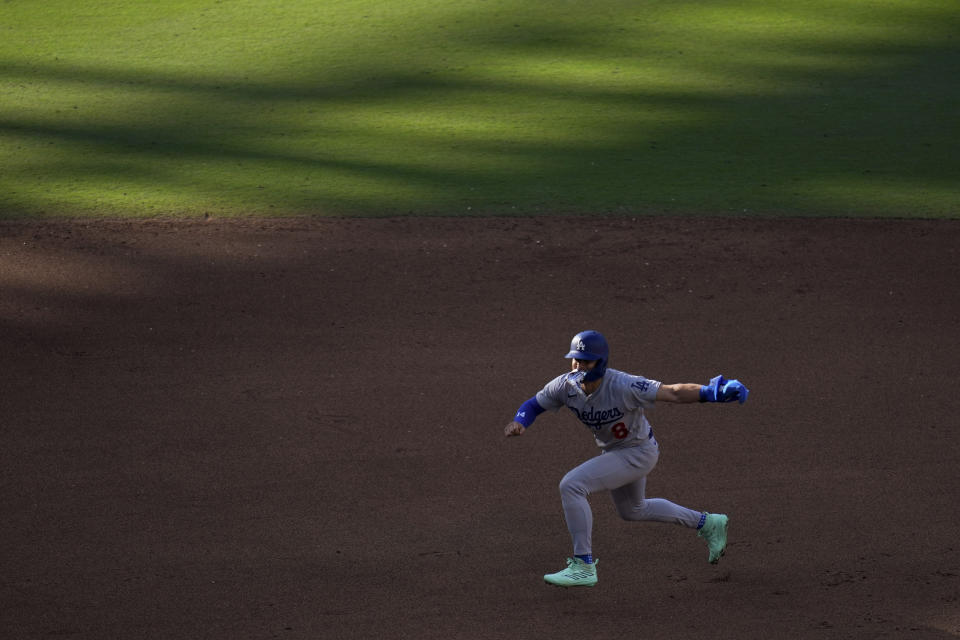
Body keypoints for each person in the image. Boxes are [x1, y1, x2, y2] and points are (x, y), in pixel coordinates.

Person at [504, 330, 749, 588]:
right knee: (633, 509)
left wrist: (713, 393)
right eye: (575, 360)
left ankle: (583, 565)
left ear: (601, 363)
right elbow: (532, 405)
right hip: (616, 452)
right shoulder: (565, 386)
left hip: (638, 452)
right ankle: (709, 523)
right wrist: (520, 422)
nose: (578, 366)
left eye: (586, 361)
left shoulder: (624, 385)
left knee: (572, 485)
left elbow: (673, 392)